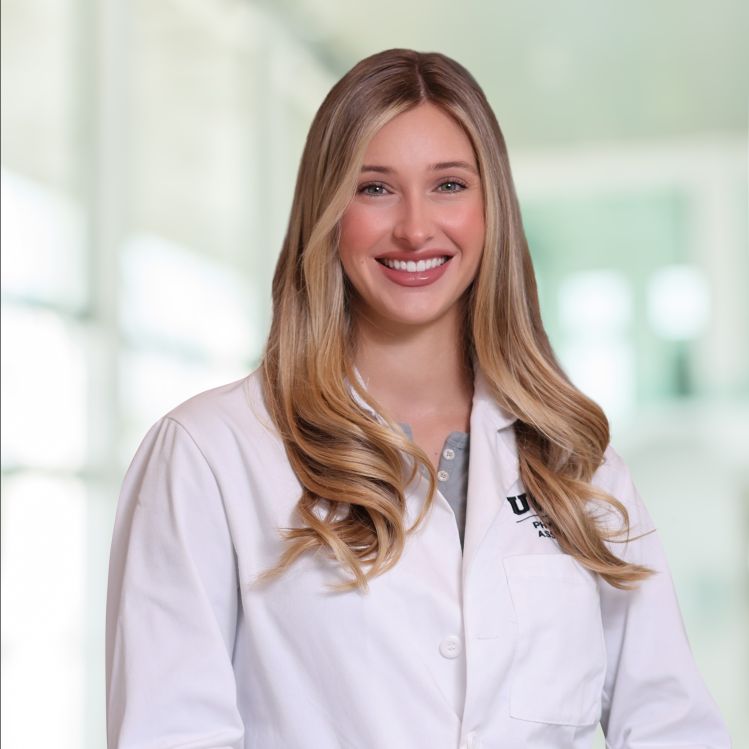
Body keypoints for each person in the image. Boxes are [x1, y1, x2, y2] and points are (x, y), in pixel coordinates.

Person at [105, 49, 730, 749]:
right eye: (374, 188)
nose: (413, 227)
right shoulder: (210, 453)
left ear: (491, 209)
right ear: (326, 210)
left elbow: (672, 726)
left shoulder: (575, 462)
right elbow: (170, 732)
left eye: (448, 185)